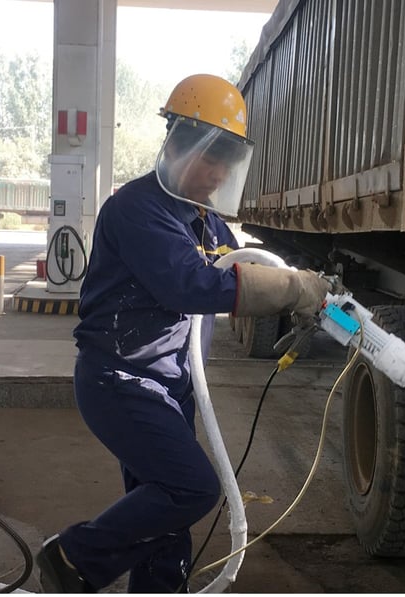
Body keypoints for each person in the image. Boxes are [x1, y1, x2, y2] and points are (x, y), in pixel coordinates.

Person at [35, 73, 331, 593]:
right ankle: (74, 555)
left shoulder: (205, 220)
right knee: (191, 489)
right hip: (120, 379)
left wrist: (307, 297)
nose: (217, 174)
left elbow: (237, 268)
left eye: (226, 164)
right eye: (210, 159)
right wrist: (291, 289)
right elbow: (190, 284)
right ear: (174, 144)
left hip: (170, 385)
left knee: (162, 511)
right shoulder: (136, 208)